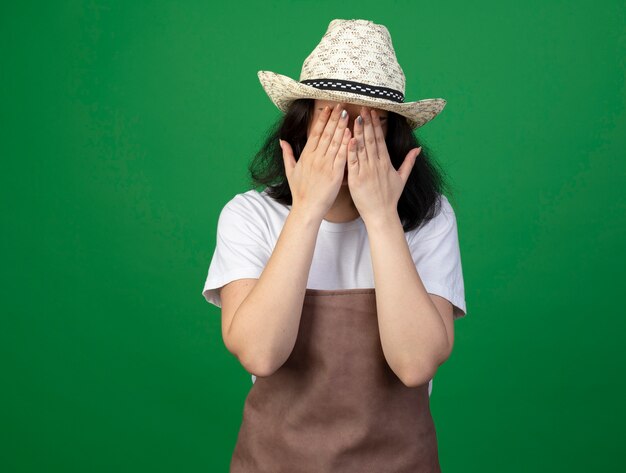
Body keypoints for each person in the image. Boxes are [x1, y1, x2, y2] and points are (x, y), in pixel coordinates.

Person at [201, 18, 467, 472]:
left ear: (393, 134)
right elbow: (260, 354)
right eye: (332, 120)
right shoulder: (249, 216)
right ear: (301, 124)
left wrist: (382, 216)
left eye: (366, 123)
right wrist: (306, 209)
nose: (346, 140)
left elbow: (416, 363)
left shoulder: (429, 217)